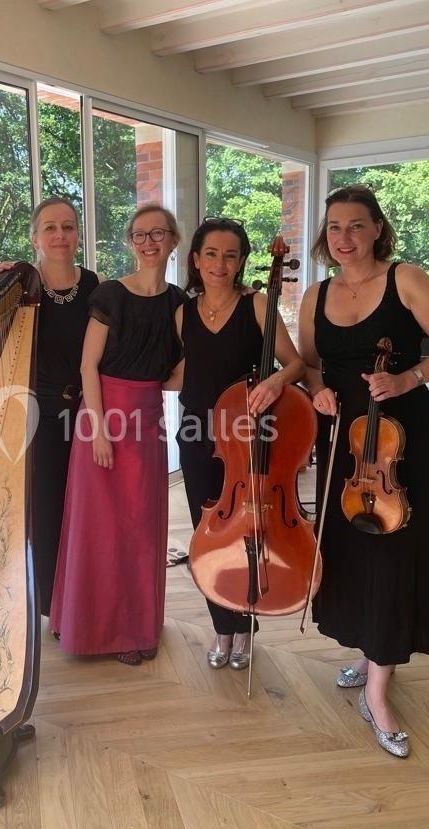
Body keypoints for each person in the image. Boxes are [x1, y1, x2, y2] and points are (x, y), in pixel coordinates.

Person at [297, 184, 429, 758]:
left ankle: (378, 690)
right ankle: (369, 647)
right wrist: (317, 390)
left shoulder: (407, 279)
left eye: (356, 225)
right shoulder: (314, 294)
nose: (344, 238)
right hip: (342, 437)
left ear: (377, 229)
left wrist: (405, 380)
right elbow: (308, 364)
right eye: (335, 227)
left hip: (399, 438)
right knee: (350, 548)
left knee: (393, 549)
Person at [163, 217, 304, 671]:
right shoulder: (184, 312)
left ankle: (244, 628)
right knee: (211, 531)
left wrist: (277, 382)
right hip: (196, 433)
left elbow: (296, 363)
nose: (220, 264)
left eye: (230, 255)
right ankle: (222, 630)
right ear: (195, 260)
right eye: (211, 254)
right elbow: (184, 372)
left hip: (247, 436)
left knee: (249, 528)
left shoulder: (258, 304)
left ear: (242, 261)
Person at [49, 203, 186, 666]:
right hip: (102, 419)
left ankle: (135, 629)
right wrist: (100, 431)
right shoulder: (110, 294)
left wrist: (156, 384)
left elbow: (182, 373)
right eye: (140, 235)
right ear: (130, 242)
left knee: (141, 529)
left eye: (158, 234)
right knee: (97, 529)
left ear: (173, 241)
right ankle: (82, 626)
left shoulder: (178, 303)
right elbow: (88, 365)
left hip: (146, 422)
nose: (149, 242)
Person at [0, 198, 100, 623]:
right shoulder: (18, 288)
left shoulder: (95, 285)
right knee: (47, 514)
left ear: (77, 235)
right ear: (35, 237)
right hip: (36, 419)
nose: (60, 235)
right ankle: (54, 609)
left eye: (68, 226)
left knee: (89, 513)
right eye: (50, 227)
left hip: (87, 415)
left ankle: (86, 600)